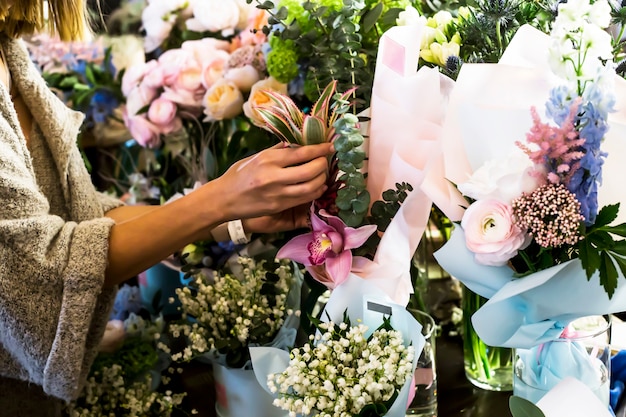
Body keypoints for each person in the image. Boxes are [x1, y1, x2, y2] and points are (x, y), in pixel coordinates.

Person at [0, 1, 333, 415]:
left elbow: (85, 218)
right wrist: (222, 197)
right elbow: (43, 262)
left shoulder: (8, 53)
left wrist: (230, 219)